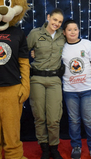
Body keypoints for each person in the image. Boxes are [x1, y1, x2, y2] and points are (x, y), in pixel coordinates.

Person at [27, 8, 66, 159]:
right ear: (48, 17)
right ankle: (44, 148)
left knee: (54, 118)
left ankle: (54, 148)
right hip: (37, 79)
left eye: (60, 22)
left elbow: (75, 45)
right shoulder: (35, 34)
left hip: (54, 80)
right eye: (55, 19)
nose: (56, 23)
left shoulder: (63, 35)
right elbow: (23, 51)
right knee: (39, 116)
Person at [61, 19, 91, 159]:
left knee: (89, 119)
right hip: (70, 91)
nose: (73, 32)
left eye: (75, 29)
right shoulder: (61, 47)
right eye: (69, 29)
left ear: (79, 30)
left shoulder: (87, 44)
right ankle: (76, 146)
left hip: (87, 90)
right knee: (74, 121)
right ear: (64, 32)